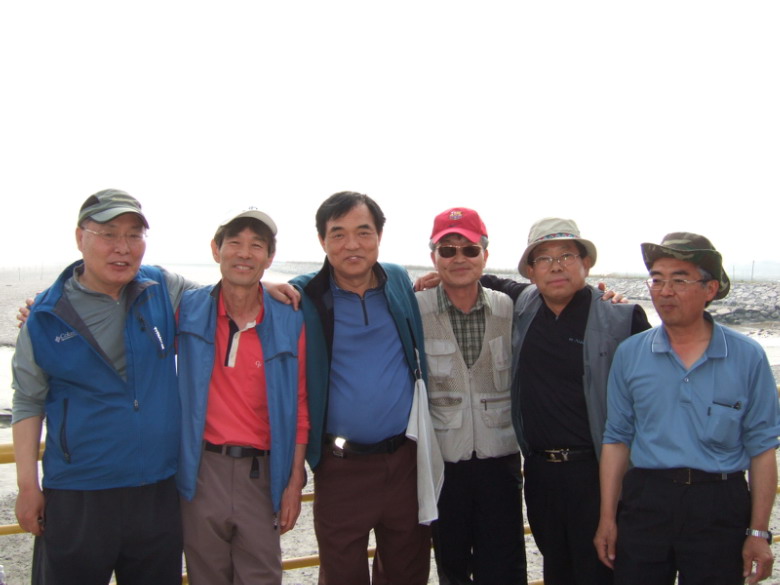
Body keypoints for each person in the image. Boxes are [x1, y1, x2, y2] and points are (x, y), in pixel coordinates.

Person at [11, 189, 190, 585]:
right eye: (109, 234)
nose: (122, 247)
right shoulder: (45, 316)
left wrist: (268, 289)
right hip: (79, 493)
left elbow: (225, 298)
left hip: (157, 489)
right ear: (81, 238)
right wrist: (27, 486)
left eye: (134, 235)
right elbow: (27, 402)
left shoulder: (161, 287)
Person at [595, 233, 780, 585]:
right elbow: (616, 438)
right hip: (646, 500)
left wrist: (758, 533)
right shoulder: (631, 354)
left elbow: (762, 449)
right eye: (657, 280)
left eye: (679, 280)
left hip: (719, 503)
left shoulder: (748, 357)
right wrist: (607, 519)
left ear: (710, 289)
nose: (665, 291)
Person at [479, 217, 650, 585]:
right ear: (530, 271)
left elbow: (654, 402)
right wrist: (433, 279)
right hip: (541, 475)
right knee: (557, 568)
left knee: (603, 570)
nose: (555, 266)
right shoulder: (524, 304)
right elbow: (478, 276)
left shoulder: (622, 318)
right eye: (543, 259)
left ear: (586, 263)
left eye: (567, 255)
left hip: (598, 474)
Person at [290, 191, 434, 585]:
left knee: (407, 570)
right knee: (342, 574)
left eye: (363, 232)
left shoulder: (398, 280)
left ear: (379, 236)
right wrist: (263, 288)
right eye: (338, 234)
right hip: (341, 468)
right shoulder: (304, 294)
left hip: (405, 461)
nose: (352, 244)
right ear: (322, 241)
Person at [176, 209, 309, 584]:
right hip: (201, 470)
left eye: (256, 246)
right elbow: (133, 287)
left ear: (269, 257)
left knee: (262, 576)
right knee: (205, 576)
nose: (244, 253)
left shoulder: (290, 319)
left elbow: (300, 407)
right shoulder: (188, 309)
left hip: (262, 474)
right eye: (234, 243)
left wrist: (293, 484)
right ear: (216, 250)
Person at [417, 207, 526, 585]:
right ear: (433, 257)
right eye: (447, 250)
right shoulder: (415, 308)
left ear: (485, 255)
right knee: (452, 567)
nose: (459, 258)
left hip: (501, 464)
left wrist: (605, 296)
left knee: (506, 567)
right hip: (444, 464)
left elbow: (559, 297)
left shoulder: (509, 307)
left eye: (470, 249)